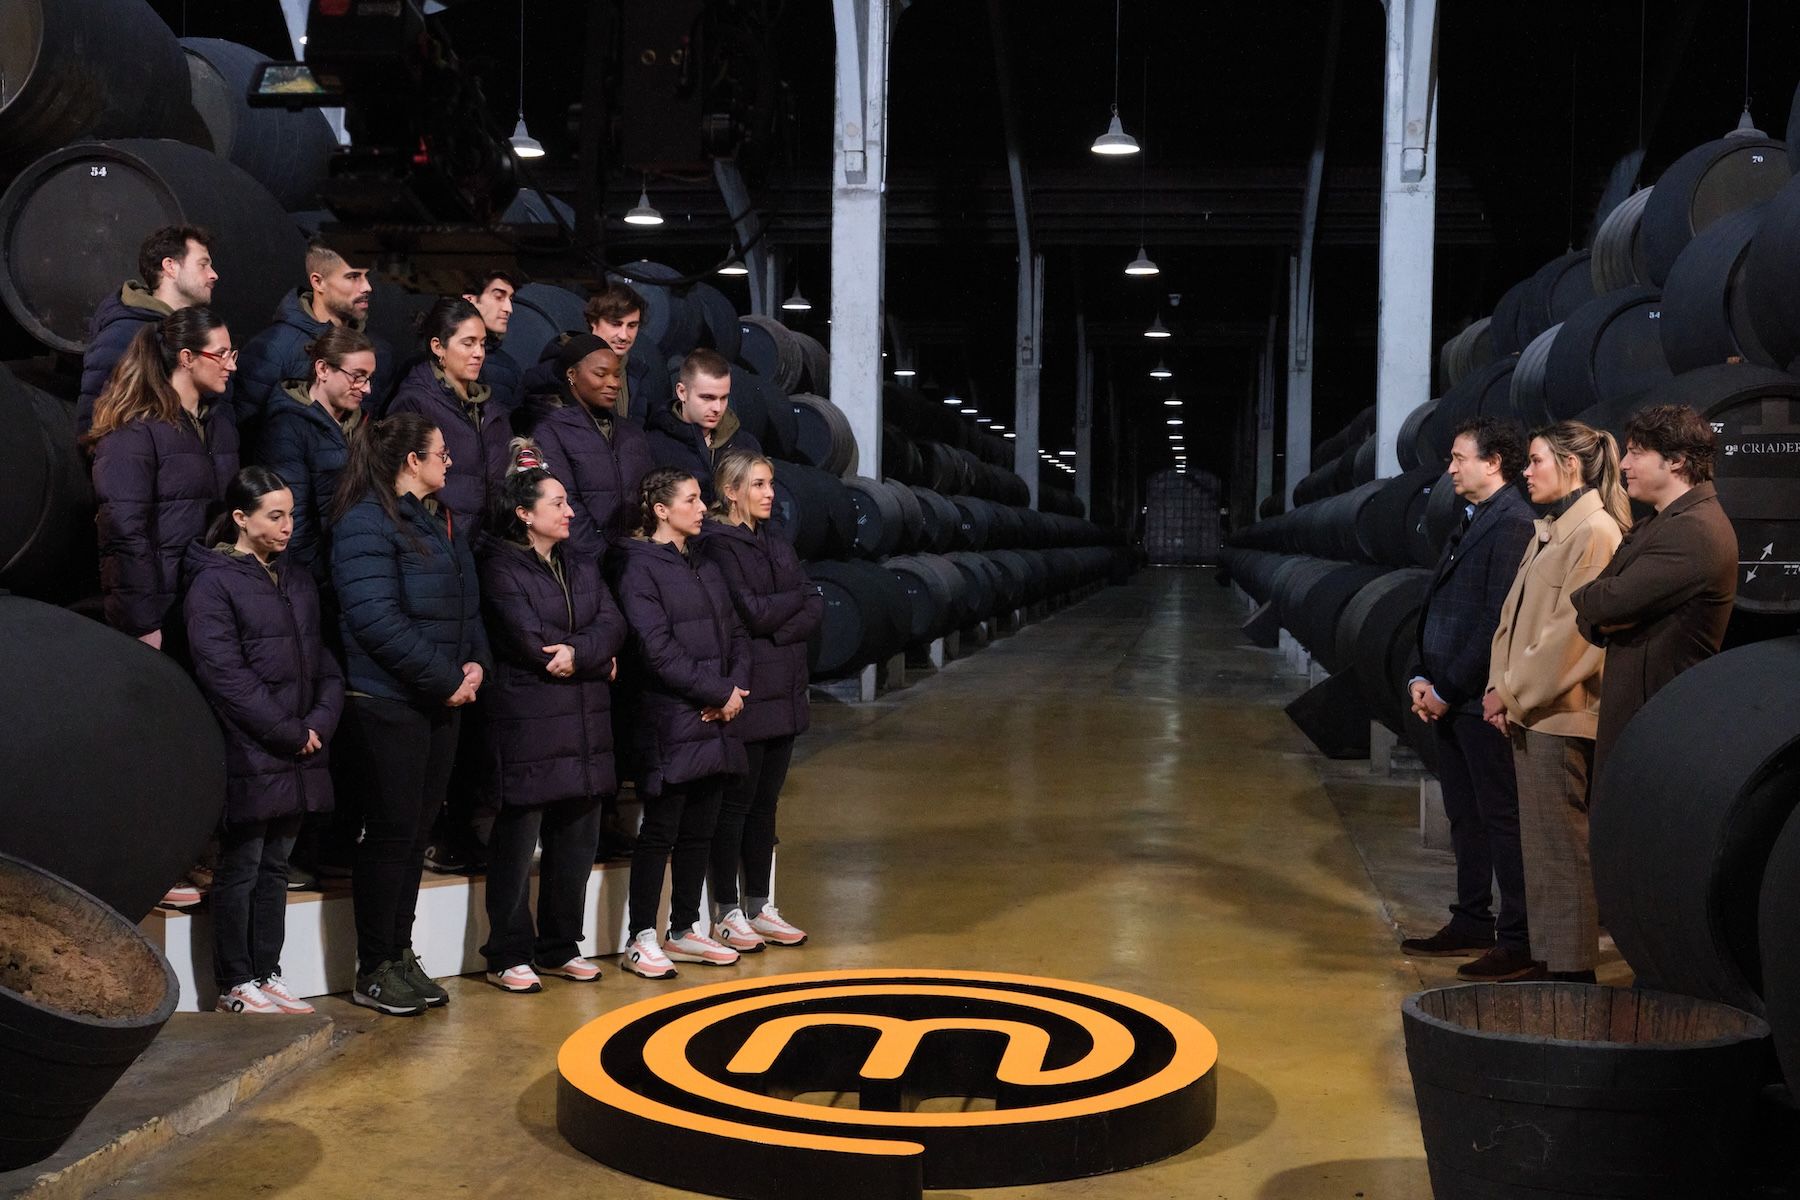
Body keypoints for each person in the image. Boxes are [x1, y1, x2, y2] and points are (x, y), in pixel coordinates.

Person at [330, 412, 490, 1016]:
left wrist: (475, 666)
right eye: (441, 453)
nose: (449, 463)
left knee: (415, 834)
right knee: (391, 837)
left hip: (440, 701)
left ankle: (399, 953)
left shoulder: (439, 521)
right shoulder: (365, 523)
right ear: (410, 462)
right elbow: (375, 620)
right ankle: (373, 966)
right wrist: (446, 678)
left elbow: (467, 608)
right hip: (387, 704)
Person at [184, 467, 343, 1014]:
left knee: (277, 864)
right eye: (274, 516)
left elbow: (323, 660)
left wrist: (319, 721)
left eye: (291, 515)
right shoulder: (213, 582)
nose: (287, 526)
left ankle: (267, 969)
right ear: (240, 518)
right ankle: (235, 981)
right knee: (243, 864)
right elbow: (223, 672)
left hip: (300, 745)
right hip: (252, 745)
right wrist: (287, 731)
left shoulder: (295, 577)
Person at [1482, 422, 1629, 984]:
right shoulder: (1555, 529)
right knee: (1540, 844)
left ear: (1571, 465)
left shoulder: (1594, 532)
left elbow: (1572, 638)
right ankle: (1549, 959)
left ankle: (1570, 973)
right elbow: (1515, 622)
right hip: (1532, 708)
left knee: (1562, 849)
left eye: (1536, 460)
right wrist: (1504, 689)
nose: (1526, 470)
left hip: (1559, 711)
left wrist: (1510, 692)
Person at [476, 462, 628, 992]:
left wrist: (582, 652)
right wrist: (592, 656)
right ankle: (507, 952)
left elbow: (612, 622)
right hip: (528, 723)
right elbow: (529, 640)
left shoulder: (580, 561)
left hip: (585, 721)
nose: (570, 511)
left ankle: (560, 945)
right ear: (523, 514)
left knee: (576, 843)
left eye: (568, 501)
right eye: (557, 503)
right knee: (517, 843)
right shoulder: (499, 567)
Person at [1399, 417, 1538, 981]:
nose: (1451, 468)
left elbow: (1494, 620)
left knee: (1500, 816)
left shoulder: (1512, 524)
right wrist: (1417, 677)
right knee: (1465, 815)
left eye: (1460, 458)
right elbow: (1435, 605)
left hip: (1480, 699)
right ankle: (1471, 917)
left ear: (1493, 462)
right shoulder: (1473, 518)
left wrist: (1448, 688)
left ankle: (1517, 935)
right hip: (1448, 695)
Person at [610, 468, 751, 979]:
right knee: (661, 829)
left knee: (702, 828)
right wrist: (718, 692)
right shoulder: (637, 568)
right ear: (660, 510)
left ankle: (686, 927)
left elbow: (737, 631)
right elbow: (655, 649)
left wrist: (733, 691)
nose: (702, 507)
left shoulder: (705, 562)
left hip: (716, 714)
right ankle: (640, 936)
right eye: (691, 500)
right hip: (671, 716)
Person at [694, 451, 823, 951]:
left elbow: (812, 603)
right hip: (751, 691)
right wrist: (787, 609)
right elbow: (751, 612)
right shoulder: (719, 546)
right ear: (732, 492)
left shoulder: (775, 541)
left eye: (771, 484)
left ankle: (760, 903)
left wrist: (781, 616)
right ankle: (726, 908)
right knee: (736, 805)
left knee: (766, 805)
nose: (770, 494)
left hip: (786, 688)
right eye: (760, 485)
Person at [1571, 404, 1738, 784]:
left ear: (1676, 460)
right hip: (1639, 719)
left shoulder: (1695, 530)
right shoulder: (1659, 523)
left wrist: (1599, 608)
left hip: (1658, 725)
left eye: (1636, 452)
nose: (1624, 463)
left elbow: (1602, 601)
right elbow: (1598, 606)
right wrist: (1599, 609)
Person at [88, 306, 242, 654]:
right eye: (220, 355)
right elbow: (123, 533)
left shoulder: (220, 427)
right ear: (186, 358)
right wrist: (142, 623)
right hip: (161, 614)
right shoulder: (134, 434)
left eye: (232, 354)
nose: (231, 365)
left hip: (209, 605)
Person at [235, 237, 394, 439]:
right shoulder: (271, 349)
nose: (367, 287)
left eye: (366, 276)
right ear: (318, 282)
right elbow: (245, 433)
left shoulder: (379, 351)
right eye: (353, 277)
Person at [259, 327, 378, 590]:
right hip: (322, 579)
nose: (367, 388)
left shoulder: (364, 424)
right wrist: (323, 579)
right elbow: (294, 523)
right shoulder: (288, 427)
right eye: (357, 377)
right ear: (322, 369)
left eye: (369, 378)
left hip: (361, 568)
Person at [517, 334, 656, 559]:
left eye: (617, 375)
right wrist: (605, 558)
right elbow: (566, 505)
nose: (614, 383)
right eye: (601, 374)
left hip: (636, 562)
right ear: (572, 375)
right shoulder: (550, 431)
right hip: (584, 564)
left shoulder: (632, 434)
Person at [385, 298, 509, 534]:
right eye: (468, 343)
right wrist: (441, 529)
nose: (479, 353)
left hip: (491, 545)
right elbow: (399, 485)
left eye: (482, 344)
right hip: (441, 544)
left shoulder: (491, 407)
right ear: (437, 346)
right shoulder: (414, 402)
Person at [79, 225, 218, 434]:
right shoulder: (124, 333)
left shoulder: (200, 333)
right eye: (203, 265)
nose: (213, 274)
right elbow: (93, 420)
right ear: (170, 266)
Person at [517, 282, 673, 429]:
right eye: (615, 324)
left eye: (632, 325)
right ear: (593, 321)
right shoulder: (560, 366)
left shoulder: (635, 375)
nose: (624, 335)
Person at [646, 348, 762, 503]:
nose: (717, 408)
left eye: (723, 398)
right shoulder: (653, 445)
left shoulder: (745, 444)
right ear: (682, 392)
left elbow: (769, 507)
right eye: (707, 397)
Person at [462, 270, 523, 414]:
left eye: (510, 299)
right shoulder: (428, 361)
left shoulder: (509, 367)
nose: (509, 309)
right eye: (499, 297)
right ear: (470, 299)